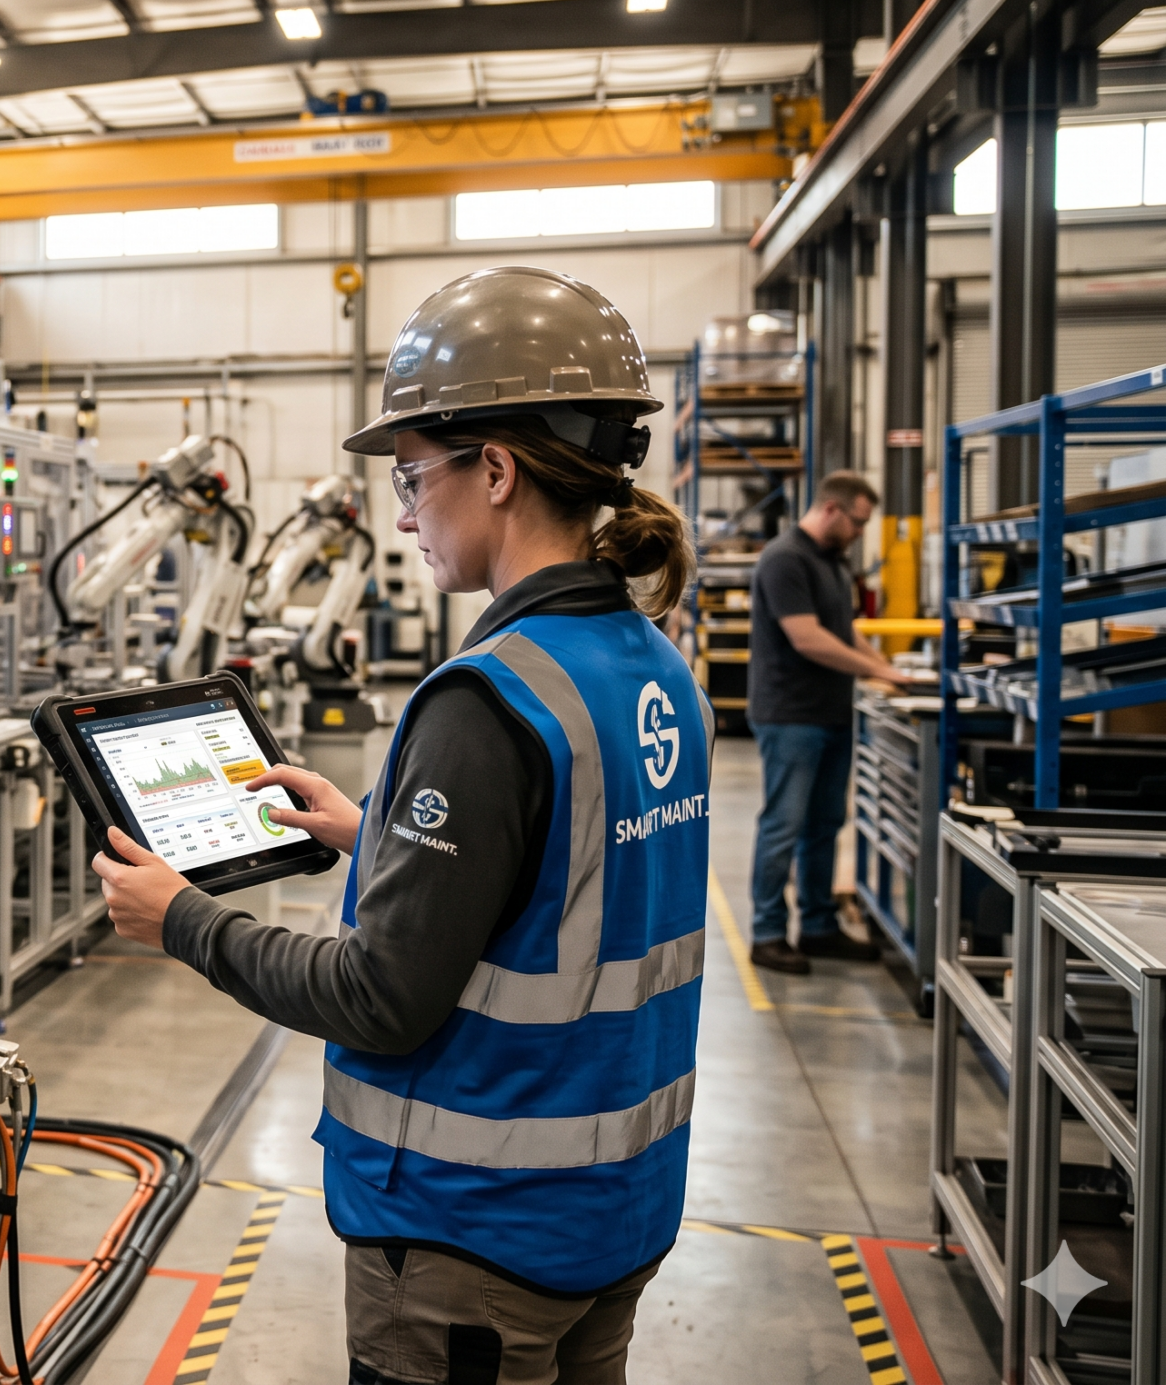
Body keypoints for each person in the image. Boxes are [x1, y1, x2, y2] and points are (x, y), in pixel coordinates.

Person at [90, 267, 709, 1385]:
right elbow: (560, 882)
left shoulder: (485, 698)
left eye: (416, 475)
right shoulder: (653, 667)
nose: (402, 509)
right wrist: (375, 827)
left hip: (473, 1243)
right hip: (612, 1212)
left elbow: (379, 998)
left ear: (499, 470)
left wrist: (182, 920)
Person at [745, 469, 913, 974]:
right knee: (784, 824)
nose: (862, 533)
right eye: (858, 522)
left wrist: (888, 671)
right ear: (833, 509)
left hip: (832, 713)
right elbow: (808, 638)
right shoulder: (785, 559)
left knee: (824, 825)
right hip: (791, 716)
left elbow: (843, 632)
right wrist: (878, 670)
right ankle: (768, 933)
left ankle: (817, 926)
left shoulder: (834, 562)